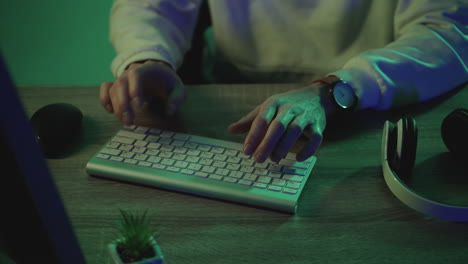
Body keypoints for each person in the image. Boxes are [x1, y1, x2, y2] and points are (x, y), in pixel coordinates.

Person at [100, 0, 468, 163]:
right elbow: (150, 5)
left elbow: (447, 32)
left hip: (368, 109)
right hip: (234, 107)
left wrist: (336, 89)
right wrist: (146, 56)